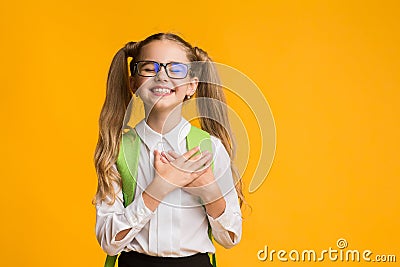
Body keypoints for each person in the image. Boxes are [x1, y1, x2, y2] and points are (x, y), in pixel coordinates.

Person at [94, 32, 243, 267]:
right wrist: (158, 189)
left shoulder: (210, 148)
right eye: (149, 68)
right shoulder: (118, 150)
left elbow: (231, 236)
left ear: (192, 85)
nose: (162, 76)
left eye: (176, 69)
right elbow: (109, 241)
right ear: (133, 83)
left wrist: (209, 191)